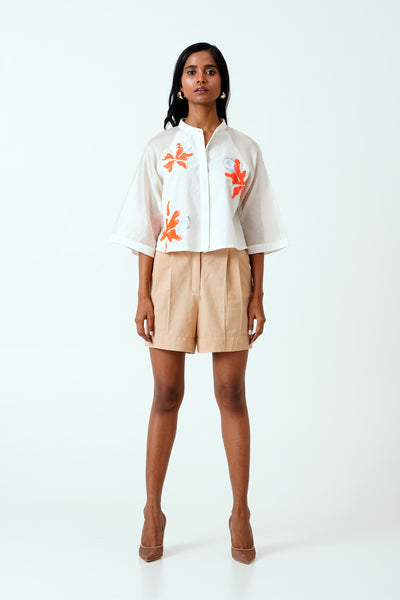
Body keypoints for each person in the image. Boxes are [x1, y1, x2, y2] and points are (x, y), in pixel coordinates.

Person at [110, 42, 289, 564]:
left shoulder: (244, 149)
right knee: (166, 393)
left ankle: (240, 512)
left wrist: (257, 294)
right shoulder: (159, 148)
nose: (201, 78)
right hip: (171, 271)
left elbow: (257, 230)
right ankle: (152, 510)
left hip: (229, 273)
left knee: (231, 392)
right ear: (180, 84)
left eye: (210, 71)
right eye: (191, 71)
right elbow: (145, 227)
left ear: (222, 83)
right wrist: (143, 294)